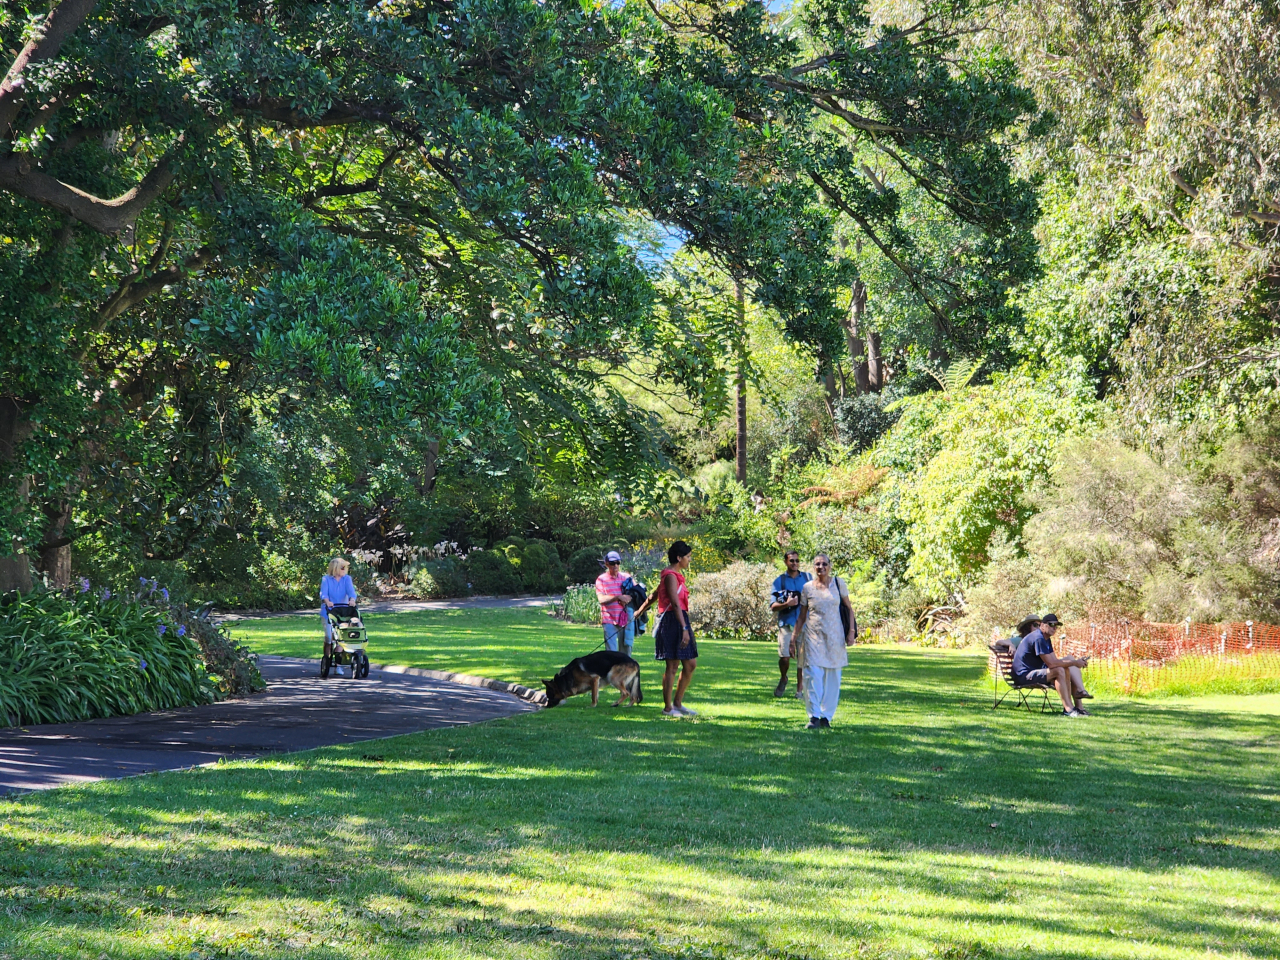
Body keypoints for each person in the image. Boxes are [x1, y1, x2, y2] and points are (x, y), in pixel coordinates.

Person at [633, 540, 697, 717]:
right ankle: (668, 708)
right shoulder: (670, 576)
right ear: (679, 557)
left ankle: (678, 703)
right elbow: (674, 604)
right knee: (673, 666)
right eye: (688, 556)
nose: (689, 560)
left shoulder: (673, 576)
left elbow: (654, 594)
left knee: (690, 664)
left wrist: (639, 610)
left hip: (681, 618)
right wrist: (684, 628)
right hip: (672, 621)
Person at [791, 553, 855, 729]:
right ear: (813, 567)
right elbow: (802, 616)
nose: (821, 567)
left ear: (830, 566)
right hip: (813, 636)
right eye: (817, 564)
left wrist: (851, 632)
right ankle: (814, 716)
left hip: (835, 636)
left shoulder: (838, 584)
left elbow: (849, 608)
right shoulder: (807, 588)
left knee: (832, 677)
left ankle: (826, 717)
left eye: (824, 564)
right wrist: (793, 638)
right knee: (812, 675)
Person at [1012, 613, 1093, 716]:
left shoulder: (1045, 638)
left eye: (1056, 625)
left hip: (1033, 672)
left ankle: (1073, 706)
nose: (1054, 628)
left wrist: (1072, 663)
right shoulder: (1038, 638)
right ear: (1042, 625)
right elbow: (1051, 664)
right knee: (1059, 670)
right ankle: (1069, 709)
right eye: (1051, 624)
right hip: (1023, 676)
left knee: (1064, 668)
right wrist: (1075, 663)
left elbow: (1054, 661)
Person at [770, 550, 811, 698]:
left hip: (805, 624)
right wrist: (786, 604)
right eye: (792, 561)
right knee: (785, 657)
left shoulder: (807, 578)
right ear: (786, 562)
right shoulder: (779, 581)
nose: (795, 563)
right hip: (786, 624)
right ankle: (783, 677)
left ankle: (799, 691)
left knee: (802, 660)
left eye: (797, 561)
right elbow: (772, 606)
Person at [320, 557, 357, 676]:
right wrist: (327, 601)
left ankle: (338, 665)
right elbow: (323, 593)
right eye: (342, 567)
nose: (344, 569)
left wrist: (352, 600)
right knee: (329, 638)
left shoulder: (347, 579)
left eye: (345, 567)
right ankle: (326, 659)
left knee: (341, 637)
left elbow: (351, 592)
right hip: (329, 612)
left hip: (343, 612)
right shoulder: (326, 579)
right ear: (335, 568)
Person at [594, 550, 635, 658]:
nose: (615, 565)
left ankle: (625, 674)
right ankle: (612, 674)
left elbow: (636, 594)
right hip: (609, 619)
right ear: (606, 564)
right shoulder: (601, 579)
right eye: (612, 563)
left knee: (626, 651)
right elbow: (601, 599)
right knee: (611, 654)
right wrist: (618, 597)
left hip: (625, 619)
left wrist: (628, 598)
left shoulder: (626, 577)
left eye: (617, 563)